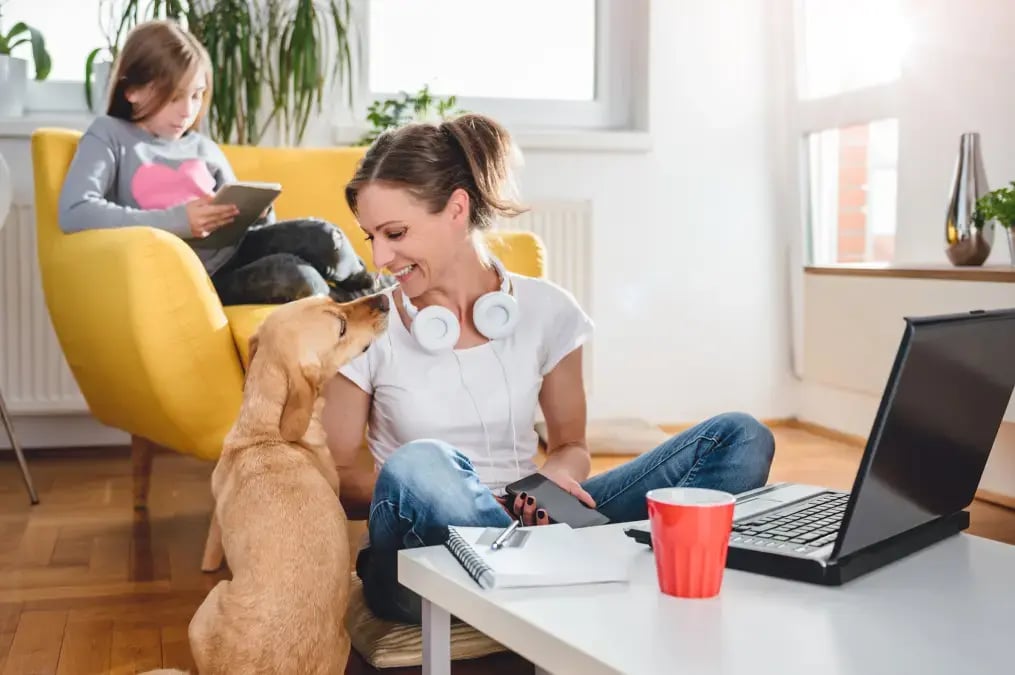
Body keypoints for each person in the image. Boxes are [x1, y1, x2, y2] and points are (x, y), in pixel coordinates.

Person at [322, 112, 776, 624]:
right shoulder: (366, 327)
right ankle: (573, 574)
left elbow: (571, 446)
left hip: (536, 522)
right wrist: (462, 491)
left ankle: (546, 575)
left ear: (456, 208)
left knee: (741, 436)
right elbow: (335, 475)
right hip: (427, 546)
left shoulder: (546, 310)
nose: (381, 256)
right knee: (420, 464)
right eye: (371, 238)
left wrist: (556, 477)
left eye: (395, 232)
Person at [57, 20, 380, 305]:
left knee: (324, 237)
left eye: (197, 95)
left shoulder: (203, 147)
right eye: (174, 97)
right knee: (297, 277)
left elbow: (257, 231)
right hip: (200, 278)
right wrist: (179, 220)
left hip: (238, 252)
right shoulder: (110, 135)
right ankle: (353, 303)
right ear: (132, 90)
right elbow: (75, 211)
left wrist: (258, 214)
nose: (188, 110)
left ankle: (374, 289)